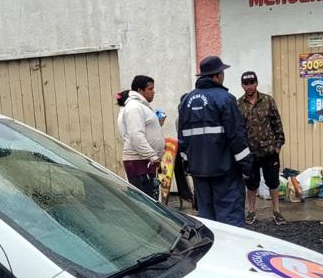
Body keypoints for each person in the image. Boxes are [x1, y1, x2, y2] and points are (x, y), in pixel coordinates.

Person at [177, 56, 253, 226]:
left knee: (208, 221)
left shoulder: (186, 101)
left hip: (199, 172)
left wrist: (188, 165)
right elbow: (237, 136)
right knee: (230, 220)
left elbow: (182, 140)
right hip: (225, 171)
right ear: (217, 76)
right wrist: (247, 167)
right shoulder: (225, 99)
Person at [237, 71, 285, 226]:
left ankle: (277, 211)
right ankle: (251, 211)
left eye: (252, 83)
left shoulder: (268, 100)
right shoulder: (238, 105)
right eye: (246, 84)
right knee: (251, 184)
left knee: (273, 182)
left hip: (269, 151)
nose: (249, 86)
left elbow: (277, 124)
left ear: (256, 83)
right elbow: (238, 130)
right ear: (242, 85)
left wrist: (278, 146)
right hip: (250, 153)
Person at [116, 75, 164, 200]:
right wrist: (152, 156)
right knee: (145, 202)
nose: (153, 92)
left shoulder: (141, 106)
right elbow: (136, 135)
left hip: (146, 162)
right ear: (140, 90)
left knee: (150, 200)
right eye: (150, 89)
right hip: (139, 162)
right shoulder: (134, 107)